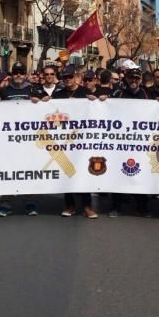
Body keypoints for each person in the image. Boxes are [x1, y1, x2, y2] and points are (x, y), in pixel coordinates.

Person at [0, 63, 40, 217]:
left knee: (28, 171)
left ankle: (29, 202)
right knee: (9, 171)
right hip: (8, 139)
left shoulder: (32, 89)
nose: (18, 75)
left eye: (21, 72)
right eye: (16, 72)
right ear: (12, 74)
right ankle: (6, 203)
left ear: (25, 74)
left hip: (28, 138)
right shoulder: (4, 90)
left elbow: (47, 101)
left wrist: (42, 99)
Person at [56, 65, 96, 218]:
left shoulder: (85, 93)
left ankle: (87, 206)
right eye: (64, 77)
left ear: (76, 77)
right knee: (67, 171)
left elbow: (97, 110)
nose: (67, 80)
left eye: (69, 77)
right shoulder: (58, 94)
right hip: (64, 140)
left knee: (84, 171)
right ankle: (70, 205)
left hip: (83, 139)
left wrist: (98, 100)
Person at [111, 68, 151, 217]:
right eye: (131, 77)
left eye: (136, 78)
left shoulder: (147, 95)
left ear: (140, 79)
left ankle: (142, 206)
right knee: (117, 173)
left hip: (141, 142)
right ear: (126, 79)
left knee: (142, 174)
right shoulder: (118, 94)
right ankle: (116, 206)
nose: (133, 80)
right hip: (121, 141)